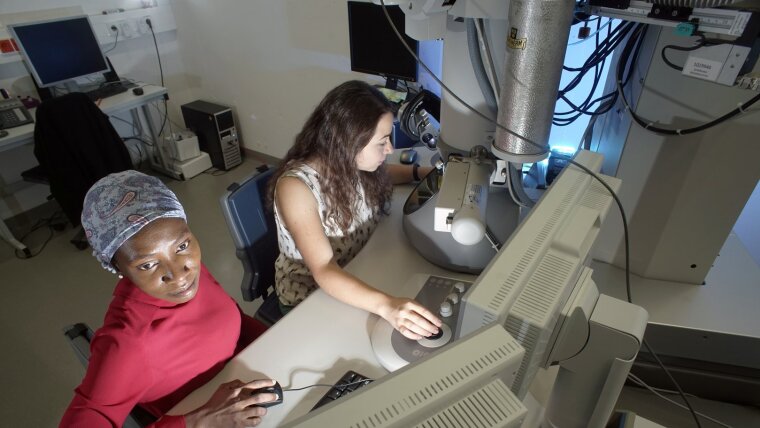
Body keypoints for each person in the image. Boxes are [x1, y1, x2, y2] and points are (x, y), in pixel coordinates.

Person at [60, 170, 278, 428]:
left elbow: (234, 320)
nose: (178, 274)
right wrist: (198, 421)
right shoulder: (126, 341)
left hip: (252, 383)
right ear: (119, 268)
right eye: (148, 264)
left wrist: (278, 345)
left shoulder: (190, 270)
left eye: (182, 246)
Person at [269, 80, 440, 340]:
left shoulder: (347, 162)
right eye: (382, 141)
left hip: (361, 264)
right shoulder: (296, 189)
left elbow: (385, 173)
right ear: (349, 142)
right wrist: (388, 306)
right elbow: (325, 268)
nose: (390, 149)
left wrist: (422, 172)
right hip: (311, 297)